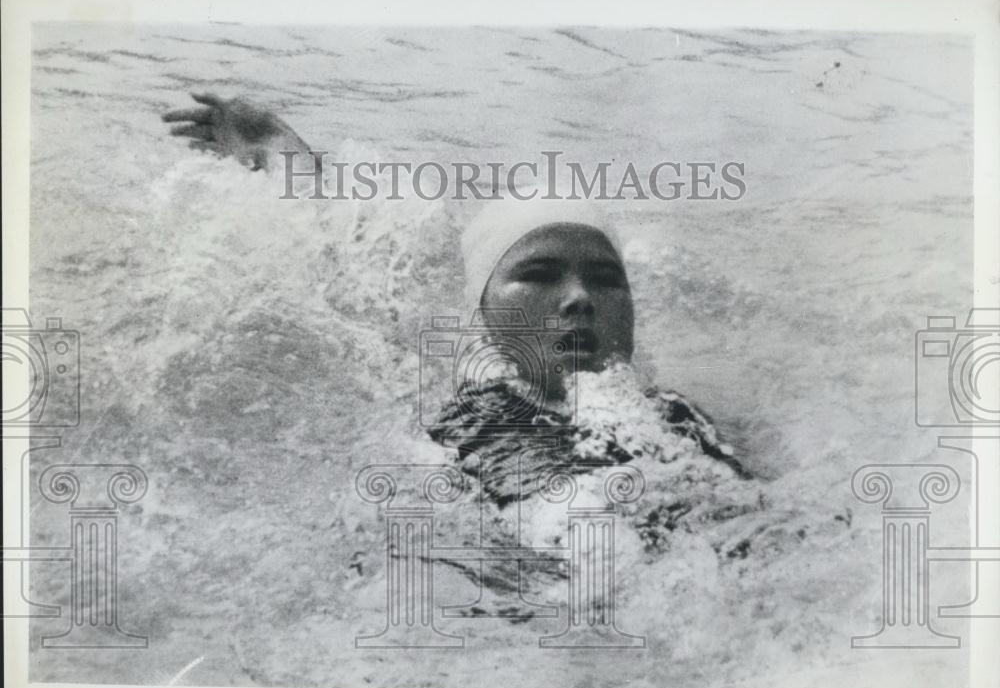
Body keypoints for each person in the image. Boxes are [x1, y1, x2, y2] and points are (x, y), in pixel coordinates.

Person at [162, 92, 750, 509]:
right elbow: (342, 294)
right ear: (484, 311)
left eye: (605, 278)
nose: (579, 299)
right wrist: (283, 154)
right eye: (539, 274)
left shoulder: (677, 418)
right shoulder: (471, 417)